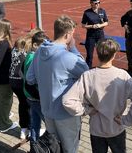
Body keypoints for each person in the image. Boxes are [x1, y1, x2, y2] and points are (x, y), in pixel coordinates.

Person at [63, 38, 132, 153]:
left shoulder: (87, 76)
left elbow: (67, 101)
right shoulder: (122, 75)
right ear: (114, 56)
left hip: (97, 130)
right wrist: (127, 120)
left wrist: (86, 110)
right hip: (116, 128)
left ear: (97, 53)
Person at [26, 15, 89, 153]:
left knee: (53, 147)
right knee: (69, 149)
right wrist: (73, 49)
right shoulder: (68, 57)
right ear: (68, 34)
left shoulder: (39, 52)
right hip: (66, 114)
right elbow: (87, 73)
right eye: (72, 34)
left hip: (47, 110)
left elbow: (30, 78)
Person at [23, 31, 48, 149]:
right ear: (35, 45)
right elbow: (32, 79)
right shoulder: (34, 58)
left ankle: (34, 145)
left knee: (35, 122)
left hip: (30, 96)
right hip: (35, 96)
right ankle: (47, 146)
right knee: (50, 124)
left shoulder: (29, 55)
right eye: (42, 46)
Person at [9, 36, 30, 139]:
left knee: (22, 104)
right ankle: (29, 129)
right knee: (28, 106)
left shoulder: (13, 51)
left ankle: (23, 129)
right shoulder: (25, 54)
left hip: (12, 81)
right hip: (20, 82)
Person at [82, 0, 108, 68]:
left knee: (102, 52)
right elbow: (83, 25)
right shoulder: (87, 13)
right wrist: (92, 26)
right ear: (91, 3)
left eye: (98, 2)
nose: (97, 4)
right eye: (96, 3)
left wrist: (100, 25)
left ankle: (103, 67)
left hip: (100, 34)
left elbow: (106, 22)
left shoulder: (102, 11)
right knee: (89, 55)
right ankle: (88, 69)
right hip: (91, 35)